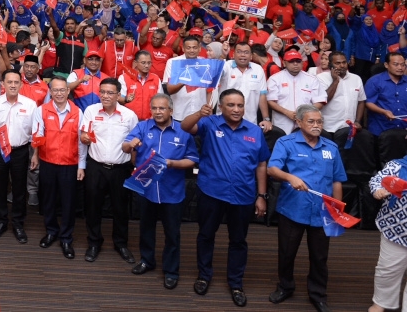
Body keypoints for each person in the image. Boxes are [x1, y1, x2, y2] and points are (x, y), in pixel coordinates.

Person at [181, 89, 270, 308]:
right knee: (206, 235)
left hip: (244, 194)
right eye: (231, 105)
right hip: (211, 191)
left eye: (240, 105)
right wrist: (199, 114)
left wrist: (261, 195)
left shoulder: (254, 131)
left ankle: (236, 283)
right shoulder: (209, 123)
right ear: (221, 106)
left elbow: (261, 164)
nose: (237, 109)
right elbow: (185, 127)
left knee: (238, 241)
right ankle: (204, 275)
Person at [267, 105, 346, 312]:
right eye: (311, 121)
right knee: (287, 252)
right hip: (293, 209)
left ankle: (318, 295)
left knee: (320, 257)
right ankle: (285, 287)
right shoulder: (286, 143)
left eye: (319, 122)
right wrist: (290, 177)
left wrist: (337, 211)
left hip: (322, 212)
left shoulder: (331, 147)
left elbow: (337, 180)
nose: (316, 125)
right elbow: (272, 168)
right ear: (299, 123)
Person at [122, 93, 199, 290]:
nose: (157, 112)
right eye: (154, 108)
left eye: (162, 108)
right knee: (146, 229)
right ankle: (147, 260)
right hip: (145, 189)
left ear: (171, 110)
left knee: (172, 233)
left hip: (172, 191)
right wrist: (129, 145)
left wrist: (172, 163)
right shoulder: (143, 126)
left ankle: (171, 271)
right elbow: (125, 146)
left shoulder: (183, 131)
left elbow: (192, 159)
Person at [80, 77, 139, 264]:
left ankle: (121, 243)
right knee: (93, 207)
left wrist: (135, 166)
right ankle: (94, 242)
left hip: (120, 168)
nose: (105, 96)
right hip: (96, 166)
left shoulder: (129, 115)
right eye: (102, 92)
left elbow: (136, 144)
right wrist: (84, 138)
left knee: (120, 208)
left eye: (110, 92)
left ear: (118, 95)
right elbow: (83, 135)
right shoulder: (90, 111)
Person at [0, 68, 36, 243]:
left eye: (16, 82)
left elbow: (35, 133)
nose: (13, 85)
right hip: (0, 150)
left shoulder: (30, 105)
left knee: (20, 189)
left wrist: (35, 154)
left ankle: (18, 223)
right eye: (9, 82)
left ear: (21, 84)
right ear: (3, 84)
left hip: (21, 151)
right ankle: (2, 220)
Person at [31, 77, 82, 259]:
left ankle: (66, 237)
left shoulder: (77, 112)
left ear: (68, 91)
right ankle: (51, 230)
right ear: (50, 92)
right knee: (48, 200)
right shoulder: (41, 111)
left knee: (68, 203)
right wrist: (35, 155)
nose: (59, 93)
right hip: (48, 161)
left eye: (63, 90)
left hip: (70, 163)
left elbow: (81, 142)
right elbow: (37, 134)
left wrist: (81, 166)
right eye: (55, 90)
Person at [368, 152, 407, 312]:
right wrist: (378, 190)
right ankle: (381, 303)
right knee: (388, 270)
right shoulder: (397, 165)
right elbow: (376, 180)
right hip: (395, 230)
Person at [267, 48, 327, 135]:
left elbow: (320, 101)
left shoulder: (312, 79)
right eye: (291, 61)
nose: (295, 64)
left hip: (306, 123)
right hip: (283, 123)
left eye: (298, 61)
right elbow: (271, 101)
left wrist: (305, 114)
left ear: (302, 63)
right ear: (284, 63)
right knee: (284, 145)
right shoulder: (275, 79)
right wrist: (287, 112)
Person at [215, 41, 272, 132]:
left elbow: (262, 95)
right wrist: (223, 56)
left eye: (246, 52)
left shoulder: (258, 69)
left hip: (249, 121)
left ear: (251, 56)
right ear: (233, 54)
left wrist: (266, 119)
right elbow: (215, 73)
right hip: (224, 121)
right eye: (239, 52)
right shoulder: (226, 65)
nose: (242, 55)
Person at [118, 50, 161, 120]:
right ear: (135, 63)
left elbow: (160, 100)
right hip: (129, 119)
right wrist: (126, 99)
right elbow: (119, 98)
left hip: (150, 119)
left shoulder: (156, 78)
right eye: (143, 63)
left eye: (149, 63)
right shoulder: (124, 77)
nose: (147, 66)